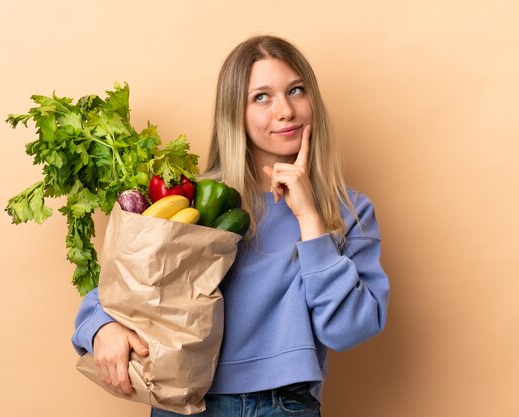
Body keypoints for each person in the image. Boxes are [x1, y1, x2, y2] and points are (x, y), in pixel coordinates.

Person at [72, 35, 390, 417]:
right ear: (234, 112)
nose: (286, 110)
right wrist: (100, 326)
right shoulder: (193, 198)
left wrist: (310, 220)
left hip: (285, 404)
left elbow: (348, 329)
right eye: (261, 97)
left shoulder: (349, 210)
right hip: (185, 401)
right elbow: (122, 282)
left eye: (296, 90)